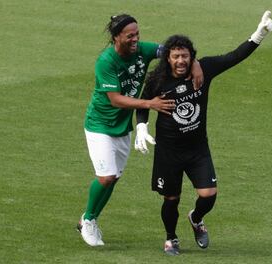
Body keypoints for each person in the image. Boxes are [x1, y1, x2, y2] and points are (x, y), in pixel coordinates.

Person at [135, 11, 272, 255]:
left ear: (192, 57)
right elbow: (144, 104)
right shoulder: (157, 80)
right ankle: (171, 238)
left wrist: (259, 34)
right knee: (171, 199)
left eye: (185, 56)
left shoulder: (205, 69)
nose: (181, 61)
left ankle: (196, 218)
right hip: (168, 151)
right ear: (167, 58)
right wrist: (141, 127)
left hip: (197, 148)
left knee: (209, 195)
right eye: (176, 56)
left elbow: (234, 57)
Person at [77, 14, 203, 247]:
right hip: (100, 125)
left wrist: (194, 63)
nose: (136, 39)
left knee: (114, 178)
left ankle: (88, 217)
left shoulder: (142, 50)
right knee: (106, 177)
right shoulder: (106, 61)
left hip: (123, 127)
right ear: (116, 38)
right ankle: (88, 220)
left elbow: (172, 51)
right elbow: (114, 99)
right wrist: (150, 104)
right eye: (130, 35)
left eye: (137, 34)